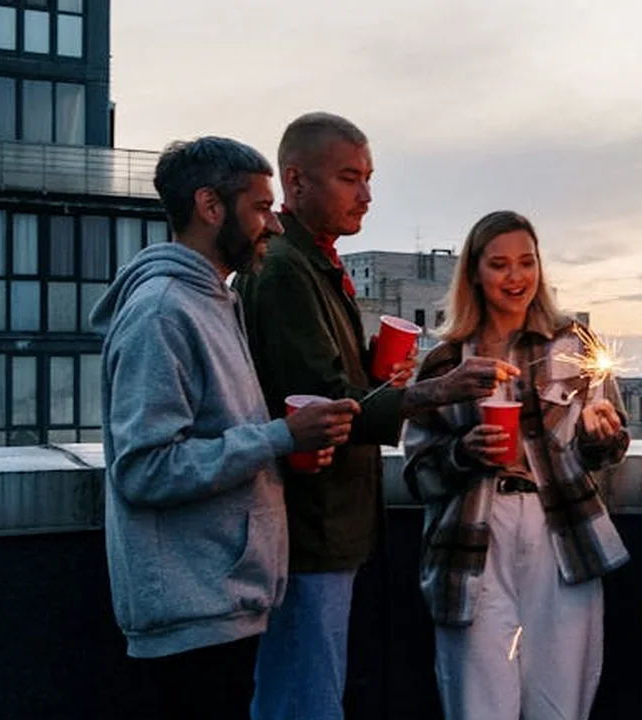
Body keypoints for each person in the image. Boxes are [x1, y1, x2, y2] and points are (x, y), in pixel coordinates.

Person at [234, 112, 506, 719]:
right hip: (311, 530)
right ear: (297, 181)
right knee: (308, 699)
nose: (367, 195)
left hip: (329, 525)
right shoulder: (284, 270)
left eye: (369, 177)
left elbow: (341, 387)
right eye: (350, 178)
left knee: (295, 692)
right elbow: (324, 407)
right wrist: (441, 389)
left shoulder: (314, 264)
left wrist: (383, 376)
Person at [90, 136, 360, 720]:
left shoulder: (215, 299)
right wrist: (281, 437)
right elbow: (143, 469)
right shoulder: (162, 311)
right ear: (211, 206)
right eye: (262, 208)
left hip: (220, 598)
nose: (274, 226)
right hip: (191, 613)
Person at [402, 210, 631, 720]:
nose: (516, 277)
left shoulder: (575, 346)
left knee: (561, 697)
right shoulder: (443, 361)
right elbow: (417, 472)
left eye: (527, 263)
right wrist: (465, 453)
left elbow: (606, 452)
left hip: (562, 533)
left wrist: (601, 435)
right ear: (475, 274)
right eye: (500, 265)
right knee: (478, 698)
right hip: (472, 537)